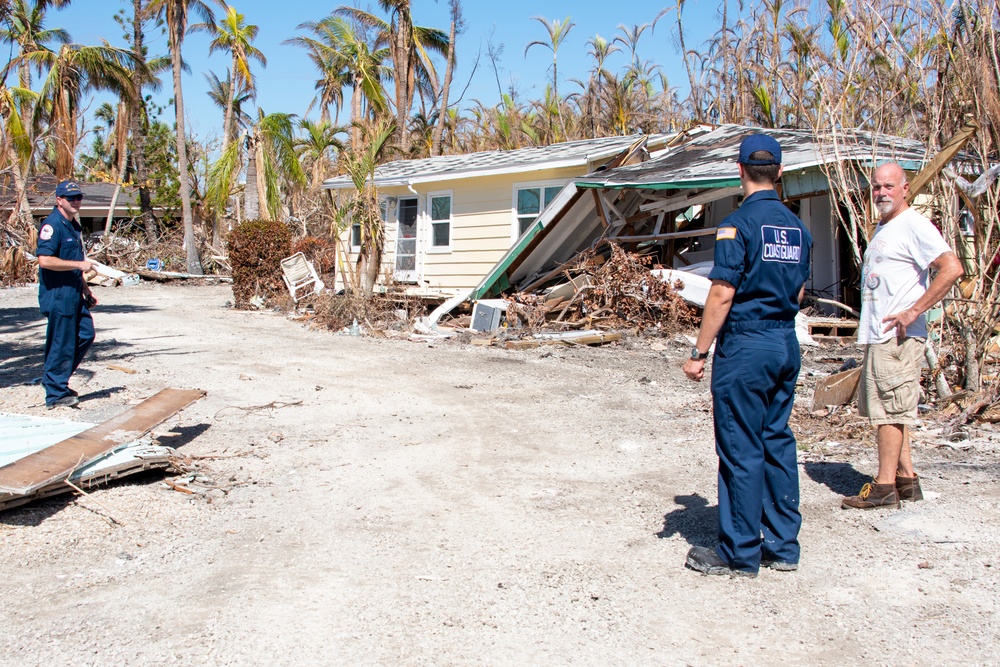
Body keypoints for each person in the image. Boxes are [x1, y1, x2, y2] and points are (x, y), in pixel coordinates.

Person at [682, 134, 812, 577]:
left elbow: (721, 292)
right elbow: (797, 290)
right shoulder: (799, 229)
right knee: (776, 438)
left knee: (740, 445)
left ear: (740, 170)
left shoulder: (737, 226)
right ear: (778, 172)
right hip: (784, 341)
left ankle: (739, 551)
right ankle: (783, 544)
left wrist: (700, 351)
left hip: (747, 343)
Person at [842, 163, 963, 509]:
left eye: (889, 186)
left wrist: (914, 311)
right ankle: (907, 479)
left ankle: (883, 486)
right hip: (880, 334)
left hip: (898, 335)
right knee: (893, 407)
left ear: (905, 188)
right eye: (877, 187)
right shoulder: (886, 225)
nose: (881, 192)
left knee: (888, 411)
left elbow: (952, 267)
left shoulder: (914, 224)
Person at [35, 180, 98, 409]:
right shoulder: (52, 225)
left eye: (78, 197)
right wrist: (79, 265)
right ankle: (55, 394)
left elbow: (75, 265)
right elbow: (45, 260)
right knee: (61, 343)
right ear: (59, 200)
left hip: (74, 292)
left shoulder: (73, 226)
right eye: (71, 198)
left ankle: (54, 380)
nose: (76, 202)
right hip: (58, 294)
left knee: (85, 334)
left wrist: (85, 289)